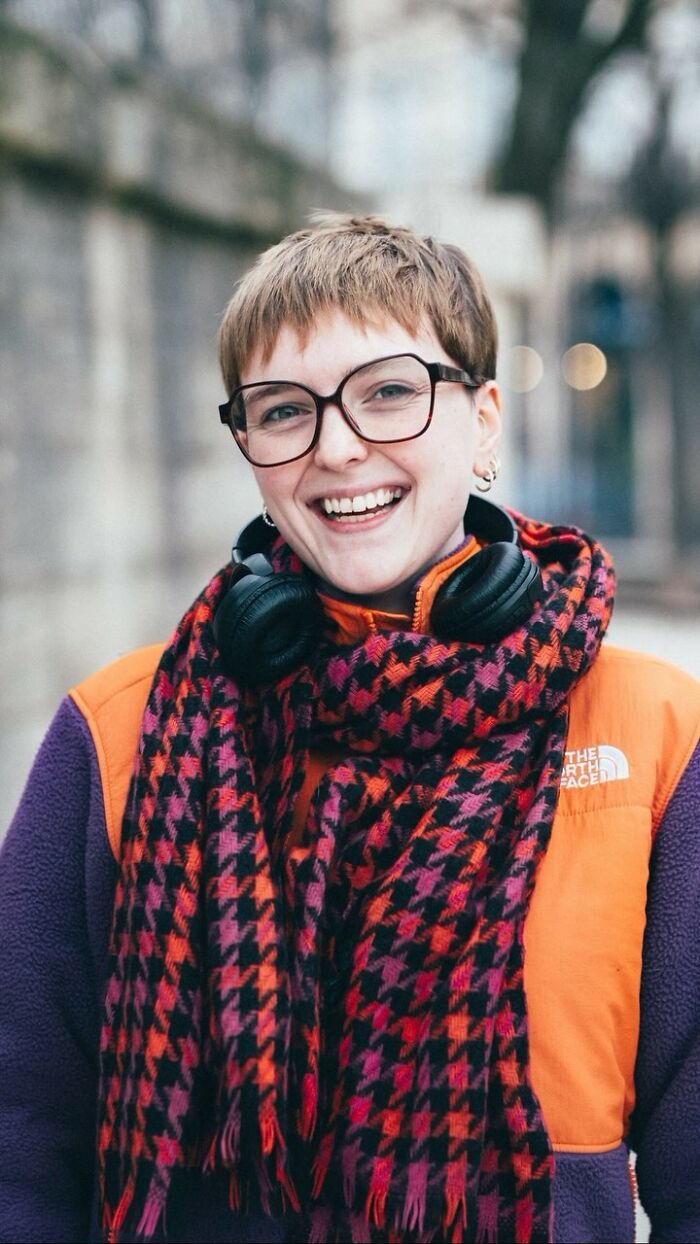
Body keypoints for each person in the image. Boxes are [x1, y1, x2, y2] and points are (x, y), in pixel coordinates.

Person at [0, 214, 698, 1244]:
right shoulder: (120, 735)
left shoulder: (651, 733)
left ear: (484, 419)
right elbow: (23, 1148)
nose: (336, 447)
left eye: (387, 392)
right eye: (282, 409)